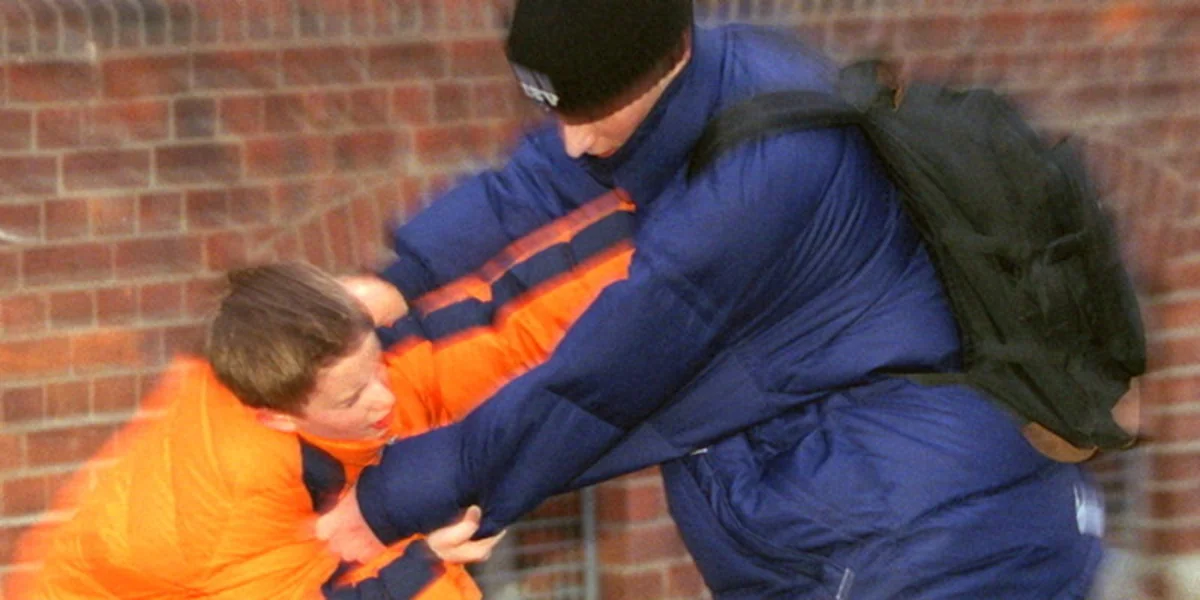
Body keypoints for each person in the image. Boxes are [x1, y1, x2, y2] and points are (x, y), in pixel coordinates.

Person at [318, 1, 1107, 598]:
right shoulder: (727, 71)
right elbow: (542, 174)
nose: (574, 140)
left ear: (667, 64)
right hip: (878, 516)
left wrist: (382, 505)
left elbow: (594, 385)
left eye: (591, 114)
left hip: (927, 543)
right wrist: (404, 275)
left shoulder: (750, 194)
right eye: (557, 112)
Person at [8, 256, 632, 600]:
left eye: (376, 366)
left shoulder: (318, 360)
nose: (383, 397)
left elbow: (500, 339)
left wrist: (654, 265)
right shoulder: (236, 504)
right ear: (277, 416)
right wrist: (422, 564)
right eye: (354, 396)